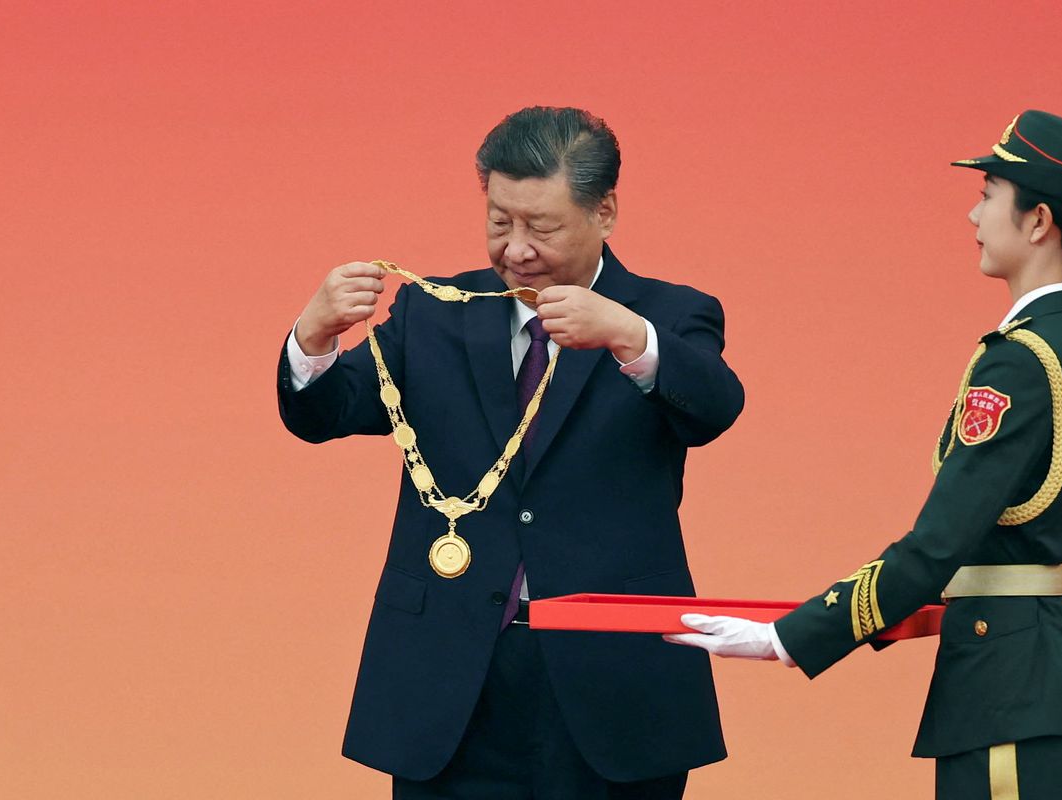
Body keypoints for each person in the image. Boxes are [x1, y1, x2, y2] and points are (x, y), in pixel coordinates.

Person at [666, 110, 1062, 799]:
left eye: (988, 196)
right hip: (1027, 676)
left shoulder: (1022, 361)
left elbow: (938, 545)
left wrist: (788, 638)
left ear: (1038, 221)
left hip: (1012, 691)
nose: (974, 216)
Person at [278, 106, 745, 798]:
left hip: (610, 682)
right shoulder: (435, 312)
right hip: (451, 682)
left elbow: (714, 407)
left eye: (543, 226)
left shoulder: (670, 316)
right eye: (500, 221)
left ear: (605, 212)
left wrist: (628, 337)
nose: (517, 249)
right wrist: (313, 336)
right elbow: (327, 413)